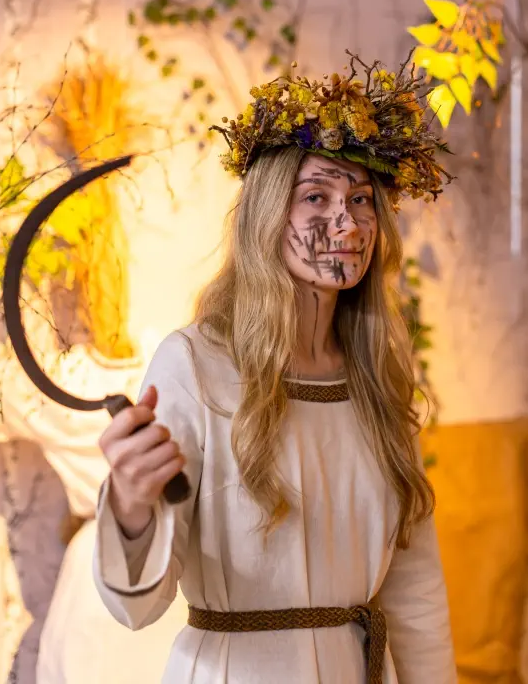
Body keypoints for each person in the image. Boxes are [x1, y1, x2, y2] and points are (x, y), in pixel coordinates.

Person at [93, 53, 457, 683]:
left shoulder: (379, 379)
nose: (346, 222)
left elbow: (415, 590)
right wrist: (130, 505)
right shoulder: (195, 366)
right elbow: (138, 606)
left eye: (361, 200)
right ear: (267, 215)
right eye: (316, 196)